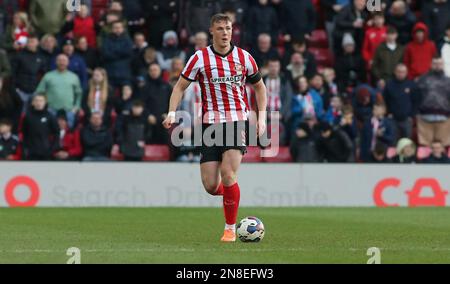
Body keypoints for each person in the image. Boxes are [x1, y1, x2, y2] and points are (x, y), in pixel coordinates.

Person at [162, 14, 267, 242]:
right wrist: (172, 112)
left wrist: (261, 118)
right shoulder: (199, 58)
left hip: (236, 120)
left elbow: (260, 88)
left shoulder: (244, 57)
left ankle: (230, 229)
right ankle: (232, 195)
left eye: (228, 28)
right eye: (220, 28)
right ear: (212, 31)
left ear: (233, 30)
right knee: (211, 185)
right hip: (209, 124)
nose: (225, 32)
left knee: (228, 174)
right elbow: (180, 87)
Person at [35, 54, 83, 128]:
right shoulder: (48, 75)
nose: (62, 63)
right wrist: (44, 106)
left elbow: (78, 94)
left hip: (69, 111)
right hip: (51, 110)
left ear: (68, 62)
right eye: (59, 60)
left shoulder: (74, 77)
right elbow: (40, 92)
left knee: (67, 135)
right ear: (56, 62)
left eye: (64, 61)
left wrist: (76, 107)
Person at [416, 57, 450, 147]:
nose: (437, 66)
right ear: (431, 65)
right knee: (425, 146)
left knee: (442, 146)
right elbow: (415, 96)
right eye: (435, 64)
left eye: (440, 64)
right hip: (425, 117)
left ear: (443, 65)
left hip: (444, 117)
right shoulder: (422, 79)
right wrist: (417, 111)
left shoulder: (448, 81)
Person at [11, 34, 46, 112]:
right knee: (21, 113)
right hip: (21, 90)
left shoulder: (41, 57)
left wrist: (39, 88)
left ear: (37, 43)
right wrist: (15, 88)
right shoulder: (19, 55)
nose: (31, 44)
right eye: (29, 42)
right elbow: (13, 73)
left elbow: (44, 74)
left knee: (34, 113)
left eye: (33, 41)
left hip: (35, 90)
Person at [383, 63, 418, 140]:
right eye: (399, 72)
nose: (401, 74)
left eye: (403, 72)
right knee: (392, 140)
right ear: (395, 72)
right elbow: (385, 100)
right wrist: (388, 113)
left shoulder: (411, 84)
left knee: (407, 141)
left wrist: (411, 115)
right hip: (393, 118)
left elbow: (416, 101)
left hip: (407, 119)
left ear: (406, 73)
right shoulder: (389, 84)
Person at [139, 63, 172, 144]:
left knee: (165, 141)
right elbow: (141, 103)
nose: (153, 72)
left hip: (163, 118)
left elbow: (171, 101)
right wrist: (148, 115)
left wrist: (167, 114)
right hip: (149, 119)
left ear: (160, 71)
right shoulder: (144, 87)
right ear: (148, 72)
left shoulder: (167, 86)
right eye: (151, 70)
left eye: (155, 70)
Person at [22, 94, 58, 160]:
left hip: (46, 152)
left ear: (45, 102)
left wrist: (52, 149)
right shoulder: (27, 117)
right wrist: (26, 148)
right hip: (31, 152)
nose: (39, 103)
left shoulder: (50, 116)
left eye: (41, 101)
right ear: (33, 103)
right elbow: (24, 133)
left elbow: (56, 134)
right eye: (36, 100)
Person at [101, 20, 133, 88]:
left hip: (124, 73)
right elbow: (106, 54)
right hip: (110, 73)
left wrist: (114, 52)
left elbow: (128, 52)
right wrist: (121, 53)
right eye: (115, 27)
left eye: (119, 27)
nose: (117, 29)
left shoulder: (127, 39)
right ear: (112, 29)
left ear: (123, 29)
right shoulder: (107, 40)